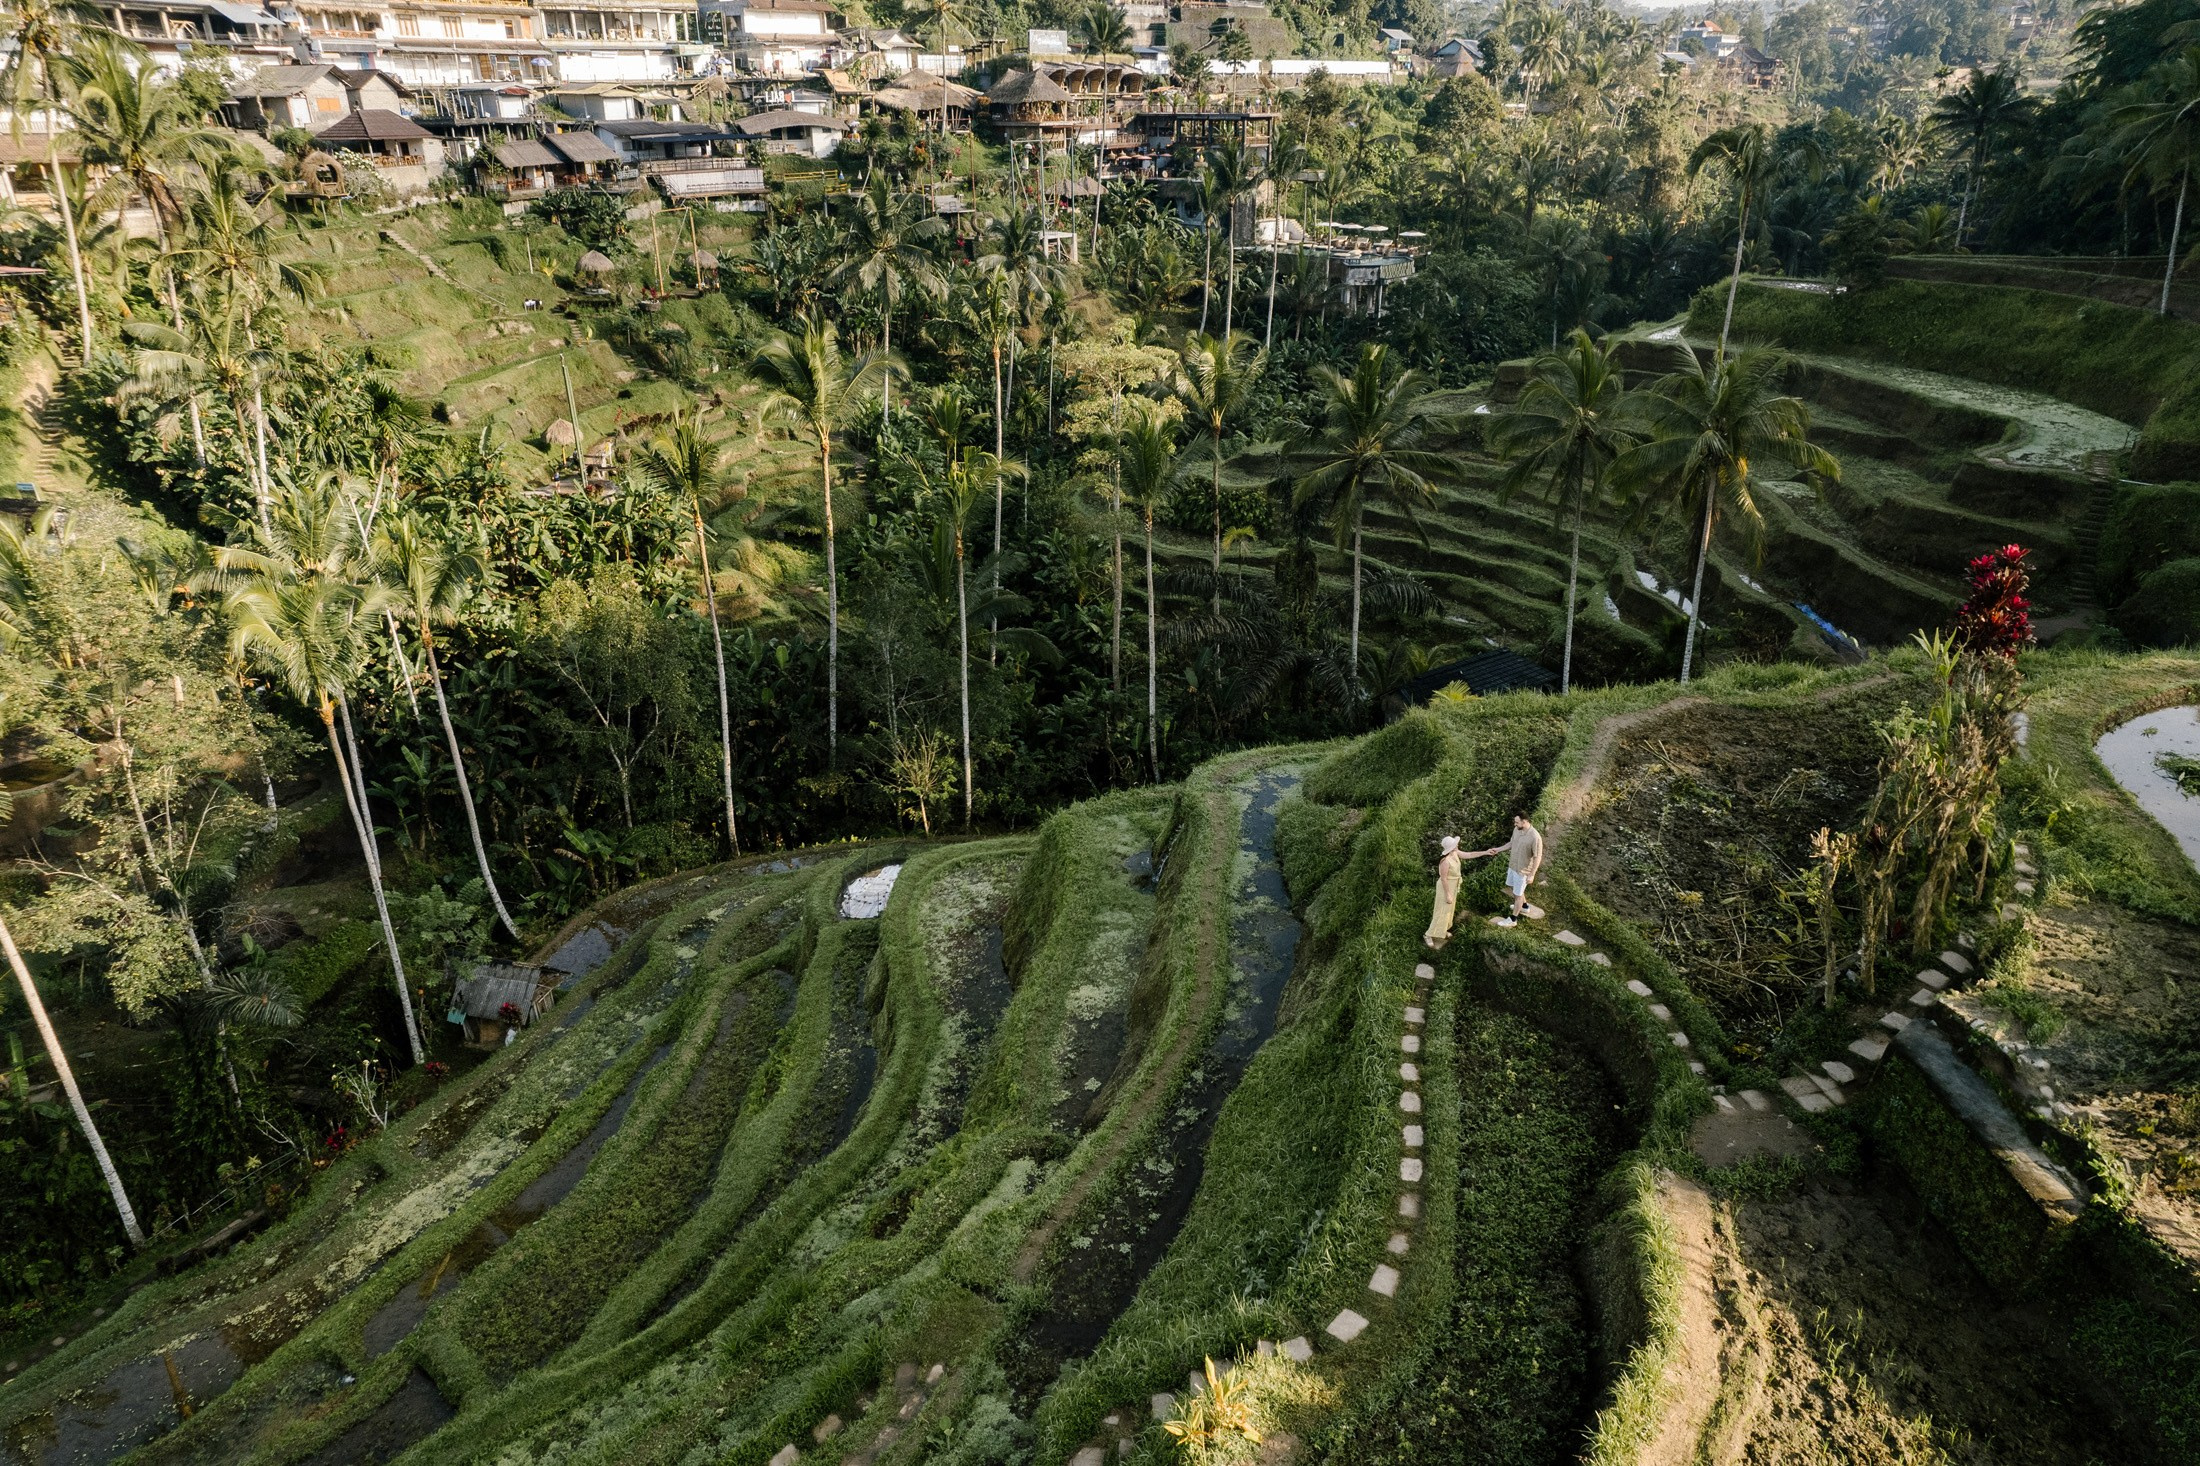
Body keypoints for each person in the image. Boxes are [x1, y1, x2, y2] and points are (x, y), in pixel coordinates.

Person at [1467, 815, 1544, 927]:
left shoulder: (1535, 837)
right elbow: (1511, 843)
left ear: (1525, 821)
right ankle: (1524, 906)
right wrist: (1498, 850)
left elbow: (1538, 857)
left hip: (1523, 870)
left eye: (1517, 822)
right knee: (1514, 888)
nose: (1515, 824)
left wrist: (1532, 874)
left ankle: (1513, 919)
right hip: (1513, 865)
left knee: (1517, 895)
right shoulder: (1517, 830)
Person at [1425, 834, 1463, 949]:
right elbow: (1443, 879)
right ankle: (1428, 935)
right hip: (1445, 887)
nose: (1457, 846)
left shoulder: (1455, 854)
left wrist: (1485, 852)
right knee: (1441, 911)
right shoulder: (1445, 861)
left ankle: (1443, 930)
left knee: (1449, 911)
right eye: (1455, 845)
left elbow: (1469, 854)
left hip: (1453, 886)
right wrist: (1448, 894)